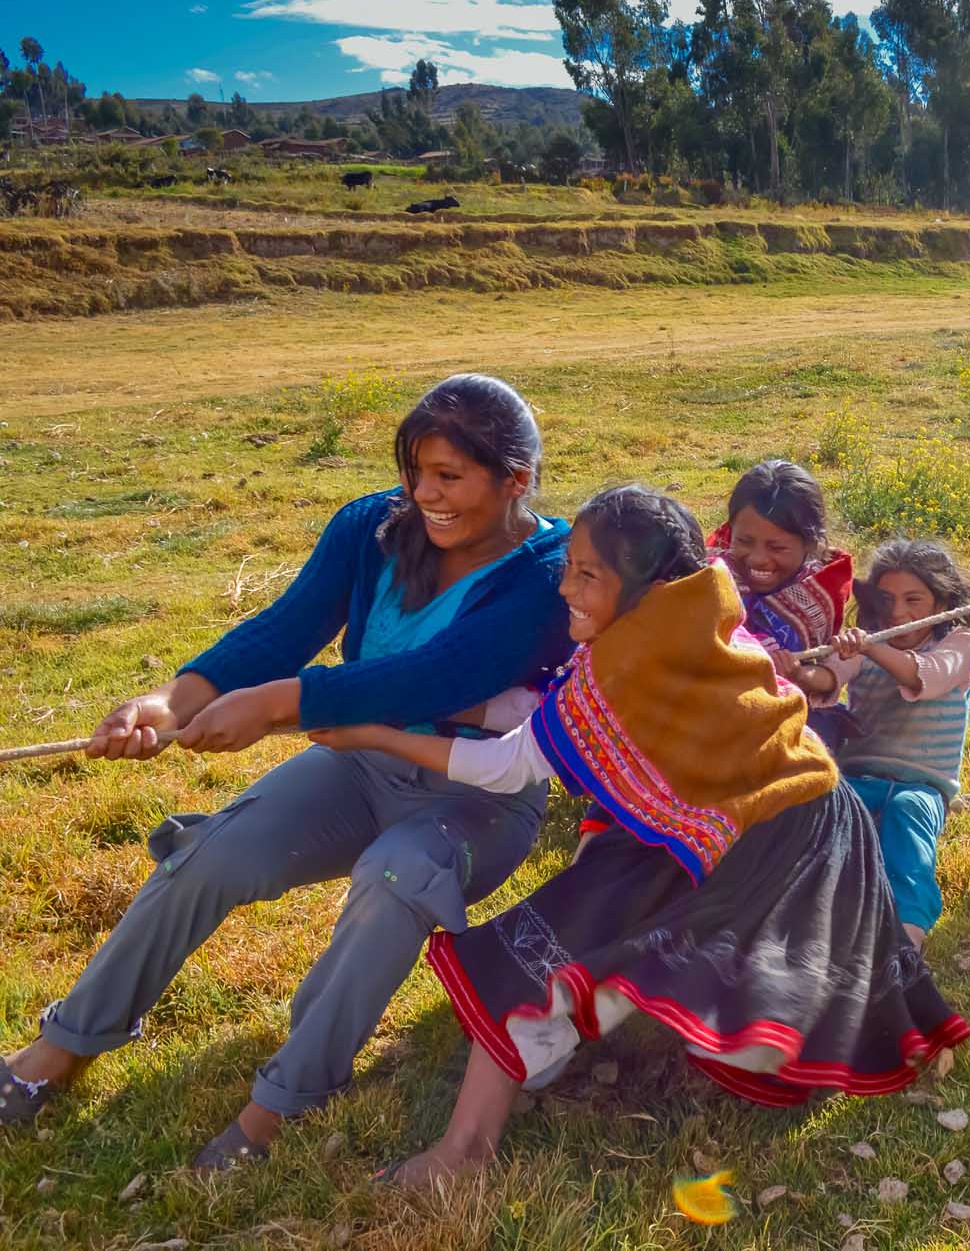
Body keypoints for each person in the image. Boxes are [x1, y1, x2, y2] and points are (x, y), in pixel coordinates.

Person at [313, 487, 968, 1186]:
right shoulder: (695, 612)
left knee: (574, 949)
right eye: (569, 567)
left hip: (785, 830)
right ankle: (479, 1128)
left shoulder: (627, 662)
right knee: (573, 933)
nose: (565, 586)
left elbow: (504, 765)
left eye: (588, 574)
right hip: (779, 811)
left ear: (645, 586)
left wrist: (373, 733)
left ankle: (466, 1148)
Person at [0, 375, 572, 1168]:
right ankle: (57, 1054)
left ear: (516, 481)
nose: (424, 494)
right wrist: (169, 700)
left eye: (450, 477)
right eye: (416, 471)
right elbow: (285, 627)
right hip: (358, 767)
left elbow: (433, 678)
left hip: (478, 797)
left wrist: (276, 706)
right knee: (213, 854)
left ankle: (281, 1106)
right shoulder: (374, 527)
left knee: (397, 877)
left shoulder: (550, 570)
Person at [827, 540, 970, 947]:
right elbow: (828, 680)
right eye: (886, 600)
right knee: (824, 816)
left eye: (913, 599)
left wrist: (871, 648)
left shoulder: (960, 643)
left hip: (923, 786)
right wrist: (799, 670)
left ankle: (906, 940)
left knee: (906, 814)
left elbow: (924, 677)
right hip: (856, 777)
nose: (898, 613)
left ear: (941, 603)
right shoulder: (867, 644)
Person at [708, 459, 855, 742]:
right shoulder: (708, 576)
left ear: (811, 544)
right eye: (745, 542)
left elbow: (827, 675)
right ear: (731, 530)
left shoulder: (822, 589)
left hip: (796, 719)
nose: (759, 558)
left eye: (777, 547)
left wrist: (798, 675)